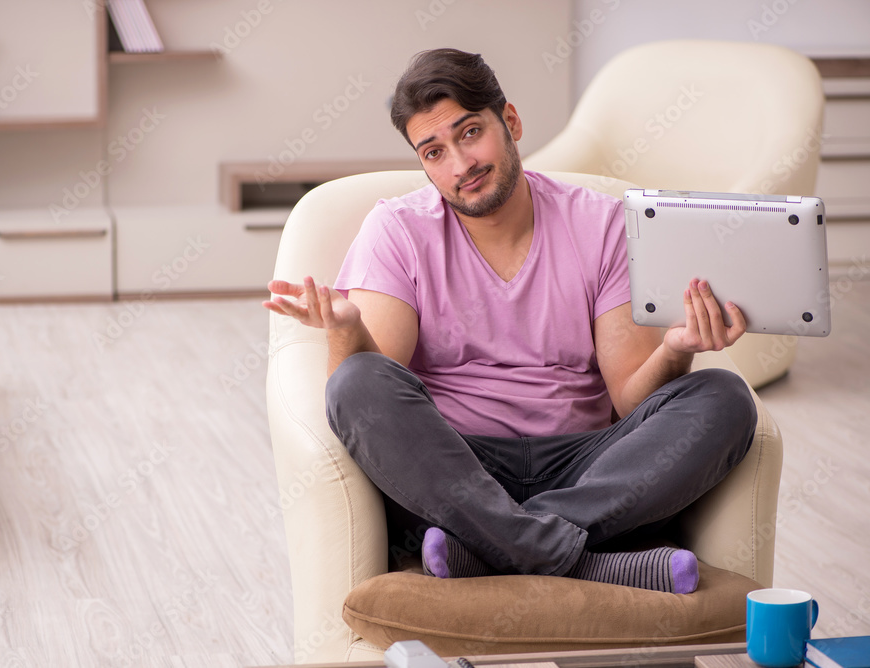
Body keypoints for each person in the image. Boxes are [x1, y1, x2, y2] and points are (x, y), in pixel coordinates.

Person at [263, 48, 757, 594]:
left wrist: (676, 348)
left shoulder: (601, 225)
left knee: (723, 397)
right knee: (358, 380)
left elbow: (630, 403)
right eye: (434, 152)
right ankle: (585, 561)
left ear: (512, 122)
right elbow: (366, 399)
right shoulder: (398, 230)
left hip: (588, 466)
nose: (460, 166)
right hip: (455, 466)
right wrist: (347, 331)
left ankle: (490, 547)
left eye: (470, 133)